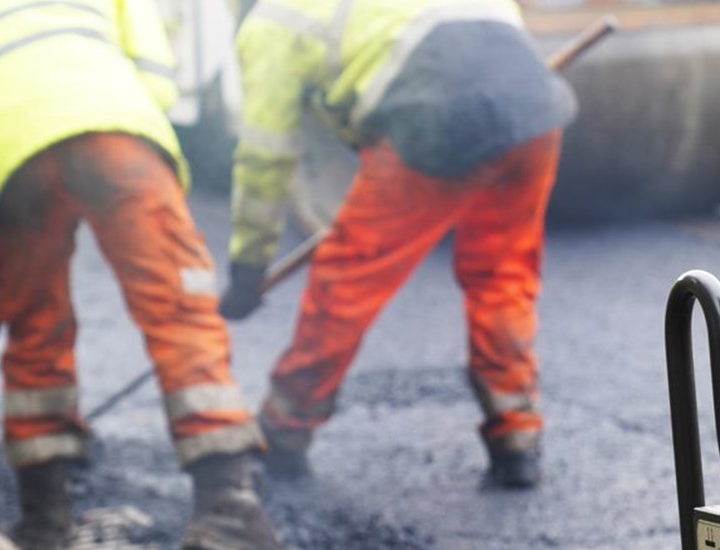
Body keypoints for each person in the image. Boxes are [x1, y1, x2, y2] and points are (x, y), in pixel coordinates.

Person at [0, 0, 278, 547]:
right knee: (180, 312)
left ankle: (43, 520)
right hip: (119, 135)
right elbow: (156, 77)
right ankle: (226, 509)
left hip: (13, 165)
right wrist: (115, 151)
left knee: (35, 329)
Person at [218, 0, 577, 488]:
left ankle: (285, 427)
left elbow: (265, 155)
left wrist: (248, 264)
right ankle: (517, 433)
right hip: (533, 106)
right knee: (503, 274)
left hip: (434, 116)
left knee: (347, 279)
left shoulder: (271, 23)